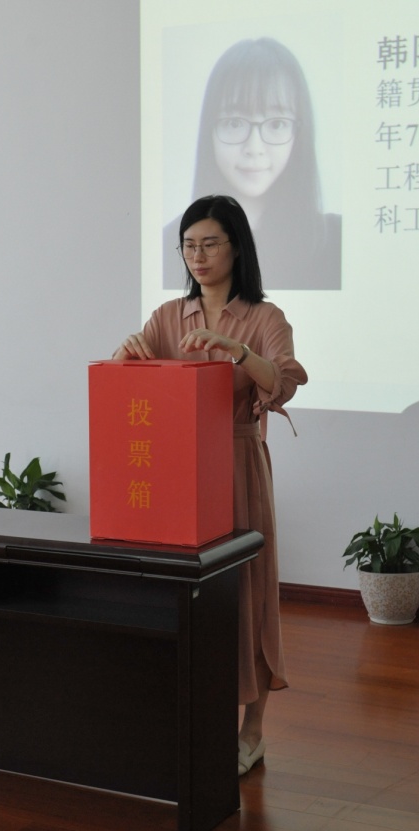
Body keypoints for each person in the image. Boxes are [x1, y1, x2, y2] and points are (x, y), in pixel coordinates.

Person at [117, 194, 307, 776]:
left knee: (247, 591)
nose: (197, 256)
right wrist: (124, 356)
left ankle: (253, 731)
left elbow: (284, 382)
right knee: (186, 591)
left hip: (236, 462)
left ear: (236, 248)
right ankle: (191, 714)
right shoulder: (168, 316)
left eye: (210, 244)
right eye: (188, 246)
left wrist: (239, 352)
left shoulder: (265, 317)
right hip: (177, 470)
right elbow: (132, 392)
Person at [164, 37, 340, 290]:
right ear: (209, 130)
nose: (254, 148)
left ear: (299, 132)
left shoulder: (334, 240)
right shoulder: (170, 242)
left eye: (277, 124)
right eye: (234, 123)